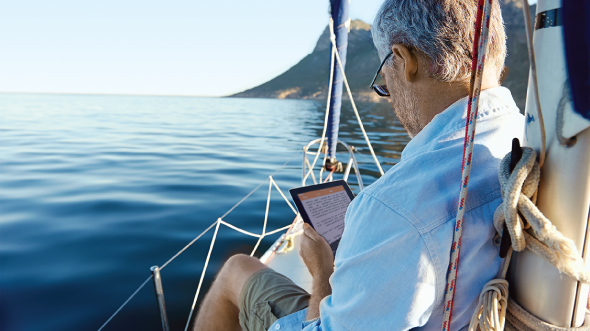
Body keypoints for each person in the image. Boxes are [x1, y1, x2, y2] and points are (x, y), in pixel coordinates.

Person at [193, 0, 524, 330]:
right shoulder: (527, 142)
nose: (390, 94)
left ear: (403, 61)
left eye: (384, 81)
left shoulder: (395, 210)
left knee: (236, 269)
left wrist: (323, 276)